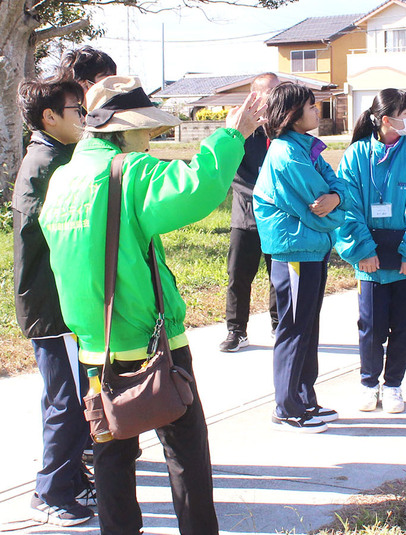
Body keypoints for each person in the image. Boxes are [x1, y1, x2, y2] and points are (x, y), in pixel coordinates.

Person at [39, 75, 265, 535]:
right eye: (145, 127)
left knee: (112, 451)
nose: (150, 136)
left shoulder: (63, 179)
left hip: (94, 345)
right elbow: (197, 188)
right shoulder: (129, 172)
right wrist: (231, 134)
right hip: (152, 339)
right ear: (122, 128)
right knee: (185, 450)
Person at [14, 78, 94, 527]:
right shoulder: (45, 162)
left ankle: (72, 480)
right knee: (66, 400)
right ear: (50, 117)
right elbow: (48, 239)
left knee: (76, 395)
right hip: (53, 304)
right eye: (76, 110)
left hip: (64, 301)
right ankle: (51, 491)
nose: (83, 119)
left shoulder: (56, 157)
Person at [334, 89, 406, 413]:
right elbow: (347, 208)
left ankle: (393, 384)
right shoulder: (355, 156)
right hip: (371, 260)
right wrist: (362, 250)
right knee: (371, 326)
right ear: (386, 120)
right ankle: (369, 383)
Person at [253, 83, 346, 432]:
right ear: (292, 116)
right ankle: (287, 405)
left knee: (307, 326)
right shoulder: (287, 154)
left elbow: (339, 189)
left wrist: (336, 199)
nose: (317, 112)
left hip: (311, 248)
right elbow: (318, 202)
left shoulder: (307, 149)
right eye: (311, 106)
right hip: (294, 251)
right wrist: (336, 203)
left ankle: (306, 398)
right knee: (293, 328)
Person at [220, 72, 281, 352]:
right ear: (255, 96)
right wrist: (259, 195)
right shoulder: (240, 128)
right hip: (246, 214)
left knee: (278, 275)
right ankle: (236, 330)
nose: (274, 98)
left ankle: (279, 325)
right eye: (269, 93)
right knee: (239, 275)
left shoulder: (285, 128)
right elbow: (231, 169)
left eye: (278, 91)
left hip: (279, 215)